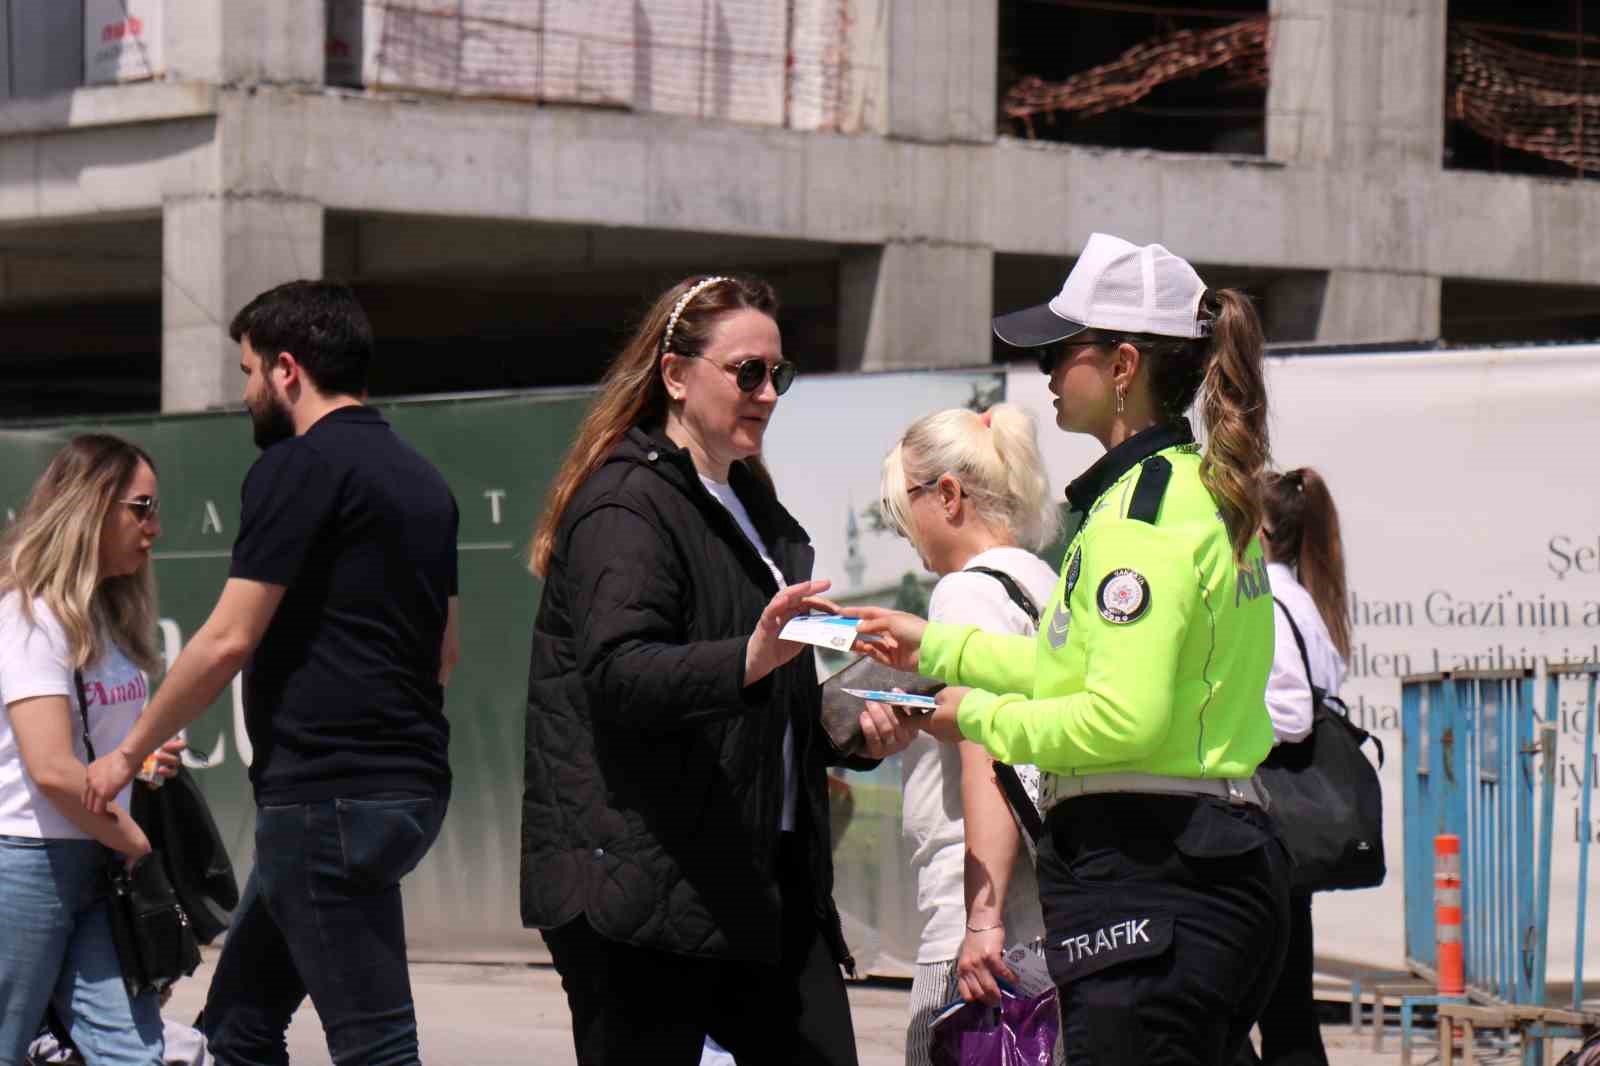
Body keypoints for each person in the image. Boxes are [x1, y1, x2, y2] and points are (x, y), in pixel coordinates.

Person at [849, 232, 1291, 1066]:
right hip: (1197, 862)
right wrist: (933, 645)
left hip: (1158, 864)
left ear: (1123, 366)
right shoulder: (1178, 492)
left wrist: (971, 714)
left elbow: (1120, 717)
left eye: (1062, 350)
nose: (1047, 372)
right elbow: (1069, 668)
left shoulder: (1143, 516)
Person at [520, 274, 917, 1066]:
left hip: (756, 878)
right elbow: (621, 675)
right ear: (674, 374)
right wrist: (750, 657)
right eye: (747, 372)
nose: (767, 393)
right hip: (641, 886)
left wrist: (846, 729)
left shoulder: (750, 509)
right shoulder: (626, 504)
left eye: (779, 375)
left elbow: (758, 699)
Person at [82, 281, 461, 1066]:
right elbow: (444, 653)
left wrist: (126, 752)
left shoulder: (296, 468)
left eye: (250, 371)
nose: (247, 390)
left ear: (289, 370)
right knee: (237, 1032)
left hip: (326, 800)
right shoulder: (423, 480)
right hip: (404, 791)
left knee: (377, 1046)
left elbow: (226, 640)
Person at [876, 404, 1061, 1066]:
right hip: (1046, 907)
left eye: (905, 508)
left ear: (947, 495)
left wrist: (981, 919)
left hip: (982, 906)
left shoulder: (962, 596)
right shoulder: (1044, 582)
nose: (905, 531)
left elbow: (989, 744)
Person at [0, 434, 184, 1065]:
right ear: (91, 506)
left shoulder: (103, 611)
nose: (154, 527)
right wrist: (131, 839)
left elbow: (89, 748)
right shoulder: (31, 615)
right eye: (141, 508)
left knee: (132, 1052)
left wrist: (145, 759)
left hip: (93, 861)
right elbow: (51, 769)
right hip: (26, 861)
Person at [1238, 467, 1350, 1066]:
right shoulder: (1303, 600)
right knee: (1286, 1013)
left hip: (1274, 827)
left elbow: (1291, 713)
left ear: (1257, 528)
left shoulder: (1270, 600)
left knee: (1263, 1011)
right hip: (1290, 838)